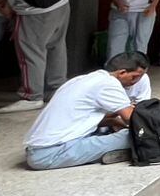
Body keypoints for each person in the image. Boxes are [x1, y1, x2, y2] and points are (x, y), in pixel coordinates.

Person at [22, 53, 150, 170]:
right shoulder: (108, 84)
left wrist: (113, 121)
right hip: (51, 153)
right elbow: (133, 119)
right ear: (122, 73)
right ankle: (123, 151)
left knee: (109, 131)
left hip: (37, 151)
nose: (135, 83)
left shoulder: (81, 80)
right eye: (134, 77)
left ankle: (110, 151)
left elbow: (80, 119)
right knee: (138, 135)